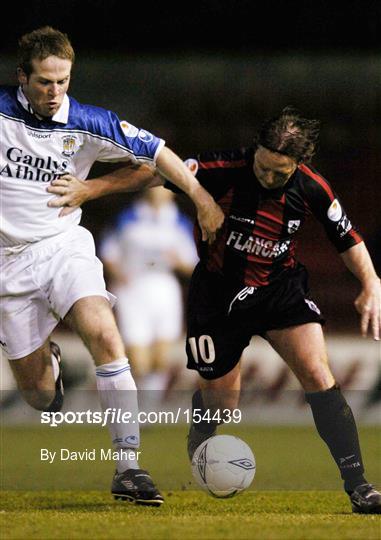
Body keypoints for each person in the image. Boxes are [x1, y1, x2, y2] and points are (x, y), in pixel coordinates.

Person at [50, 107, 381, 514]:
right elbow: (154, 172)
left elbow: (347, 238)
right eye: (263, 166)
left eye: (280, 173)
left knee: (318, 375)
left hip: (279, 291)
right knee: (224, 402)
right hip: (217, 299)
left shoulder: (313, 188)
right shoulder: (222, 167)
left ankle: (359, 486)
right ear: (255, 150)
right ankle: (202, 427)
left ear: (298, 164)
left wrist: (371, 284)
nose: (268, 177)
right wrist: (91, 189)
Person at [0, 26, 224, 506]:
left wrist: (198, 197)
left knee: (103, 331)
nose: (55, 91)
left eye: (63, 81)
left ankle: (129, 468)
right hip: (5, 267)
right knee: (40, 396)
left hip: (62, 246)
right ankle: (50, 364)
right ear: (22, 76)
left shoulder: (87, 121)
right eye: (44, 81)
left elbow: (157, 160)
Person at [99, 186, 198, 394]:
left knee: (162, 358)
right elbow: (108, 251)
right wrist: (118, 273)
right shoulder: (127, 217)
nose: (160, 190)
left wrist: (178, 261)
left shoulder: (179, 222)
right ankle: (136, 407)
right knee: (138, 360)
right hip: (133, 289)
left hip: (164, 288)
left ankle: (147, 412)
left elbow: (193, 265)